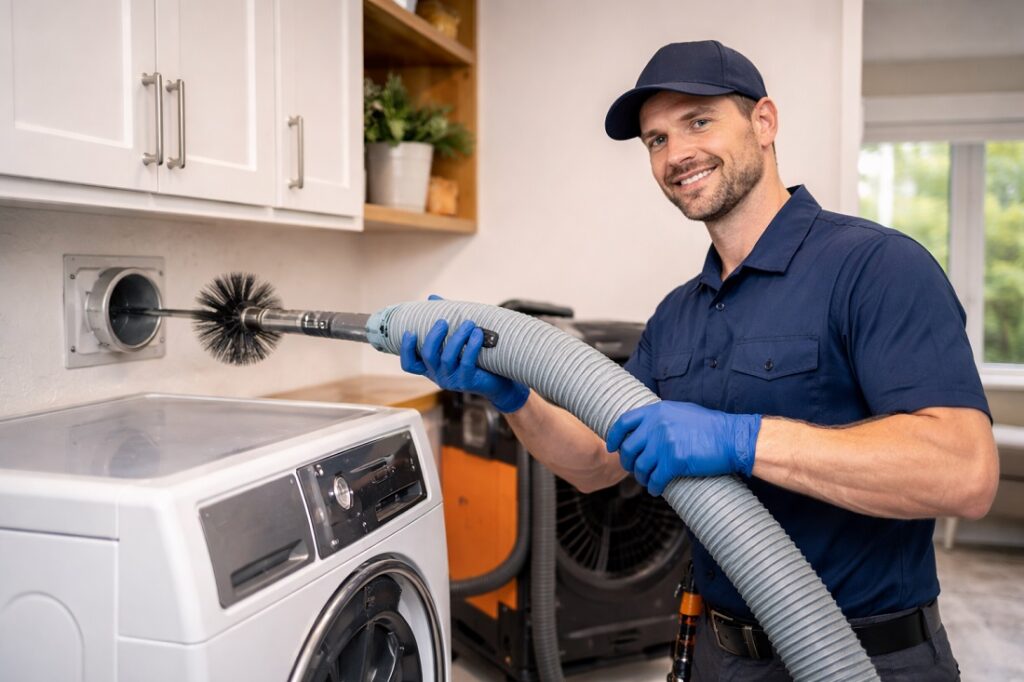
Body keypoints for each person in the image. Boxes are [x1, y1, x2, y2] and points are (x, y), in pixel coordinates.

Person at [399, 40, 999, 680]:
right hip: (718, 657)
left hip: (867, 659)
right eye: (656, 140)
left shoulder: (876, 267)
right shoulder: (678, 314)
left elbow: (963, 471)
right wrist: (512, 395)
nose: (675, 154)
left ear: (763, 122)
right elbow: (596, 460)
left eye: (698, 121)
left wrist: (740, 439)